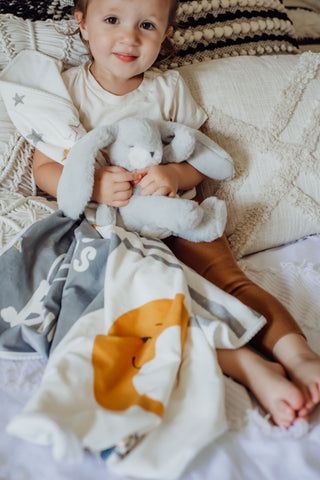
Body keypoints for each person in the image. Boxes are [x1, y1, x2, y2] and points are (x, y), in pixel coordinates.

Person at [32, 0, 320, 428]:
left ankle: (299, 355)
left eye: (146, 25)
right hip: (114, 233)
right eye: (112, 20)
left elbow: (201, 158)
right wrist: (93, 185)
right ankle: (248, 367)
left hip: (179, 218)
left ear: (166, 33)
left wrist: (172, 172)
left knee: (231, 283)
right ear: (83, 24)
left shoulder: (167, 89)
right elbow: (43, 169)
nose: (129, 37)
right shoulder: (67, 89)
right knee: (154, 309)